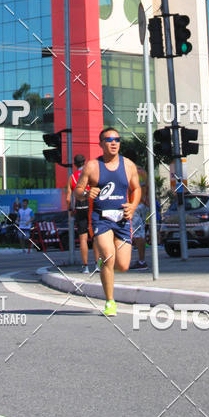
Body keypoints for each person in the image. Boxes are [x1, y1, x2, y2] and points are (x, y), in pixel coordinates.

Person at [75, 128, 141, 316]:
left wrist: (133, 206)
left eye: (117, 140)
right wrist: (87, 192)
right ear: (101, 143)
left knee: (123, 265)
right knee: (109, 255)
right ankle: (110, 302)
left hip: (121, 219)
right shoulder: (92, 166)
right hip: (100, 218)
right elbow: (77, 191)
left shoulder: (128, 165)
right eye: (109, 139)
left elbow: (136, 189)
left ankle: (104, 265)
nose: (114, 143)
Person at [67, 153, 95, 273]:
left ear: (75, 164)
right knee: (96, 238)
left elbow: (68, 198)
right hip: (92, 207)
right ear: (85, 162)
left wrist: (70, 210)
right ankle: (98, 266)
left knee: (83, 238)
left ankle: (85, 267)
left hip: (80, 208)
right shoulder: (91, 174)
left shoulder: (72, 177)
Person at [130, 197, 148, 269]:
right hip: (141, 205)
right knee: (140, 233)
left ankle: (141, 261)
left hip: (137, 204)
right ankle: (141, 261)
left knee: (138, 234)